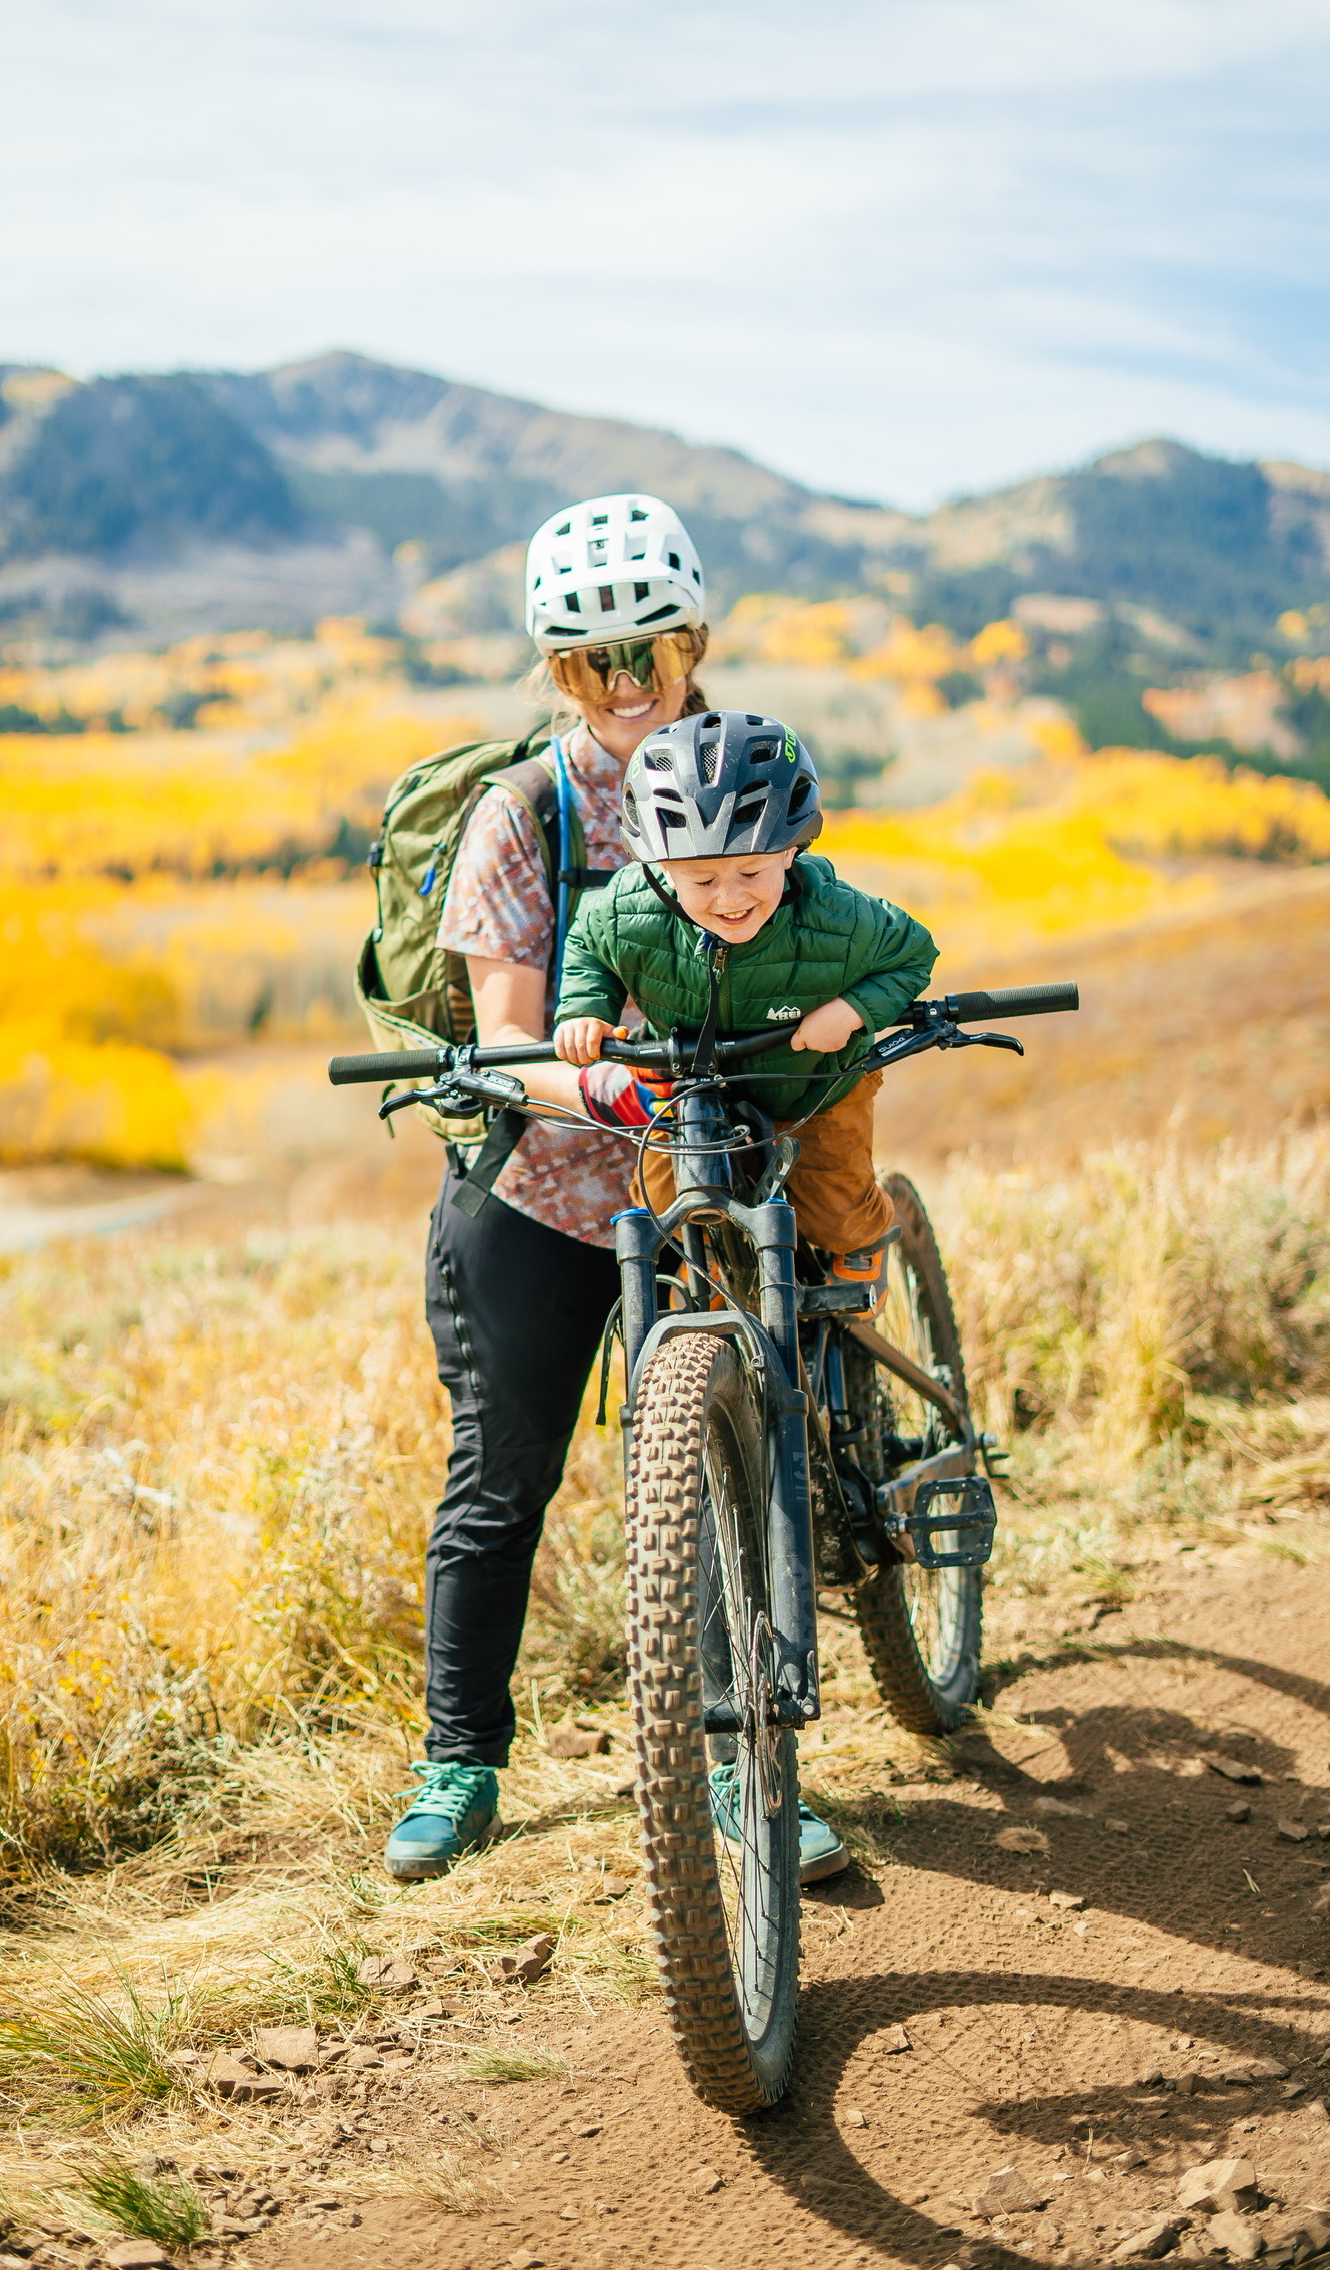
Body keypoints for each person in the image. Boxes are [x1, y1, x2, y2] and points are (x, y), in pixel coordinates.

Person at [382, 495, 851, 1887]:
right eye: (591, 661)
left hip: (711, 1165)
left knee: (741, 1459)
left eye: (649, 648)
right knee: (500, 1478)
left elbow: (804, 928)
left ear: (696, 638)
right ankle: (458, 1761)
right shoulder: (521, 813)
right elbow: (508, 1032)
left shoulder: (744, 762)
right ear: (555, 671)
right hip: (548, 1191)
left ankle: (736, 1762)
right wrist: (590, 1083)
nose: (627, 680)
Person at [552, 710, 939, 1307]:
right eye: (701, 881)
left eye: (752, 871)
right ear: (660, 868)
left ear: (792, 850)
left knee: (838, 1209)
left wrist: (854, 1010)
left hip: (812, 1088)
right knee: (666, 1212)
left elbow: (912, 953)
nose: (730, 899)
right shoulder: (627, 910)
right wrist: (587, 1008)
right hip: (690, 1095)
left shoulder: (835, 916)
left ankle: (867, 1241)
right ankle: (711, 1316)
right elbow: (589, 948)